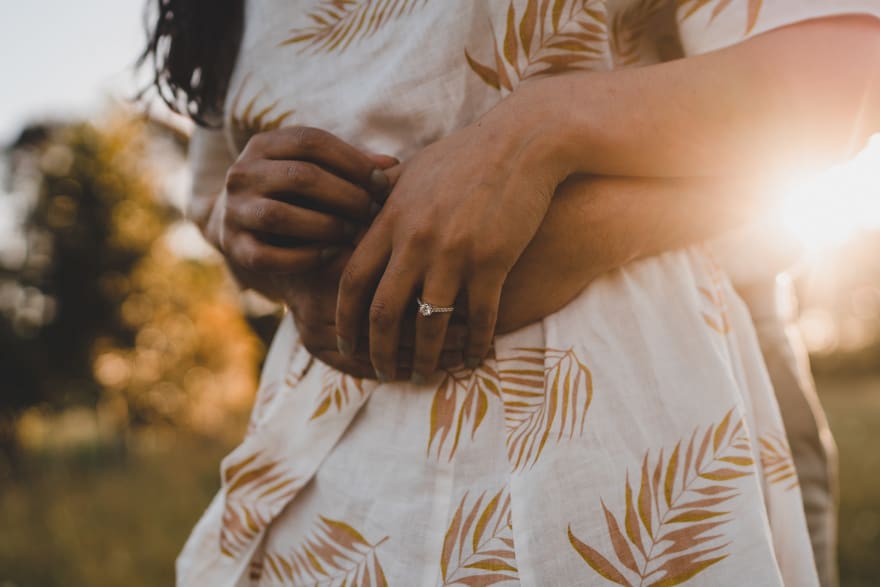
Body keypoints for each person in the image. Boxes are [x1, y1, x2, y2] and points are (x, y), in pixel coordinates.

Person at [142, 0, 880, 585]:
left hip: (637, 423)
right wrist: (258, 234)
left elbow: (837, 73)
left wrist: (536, 132)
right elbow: (216, 195)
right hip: (336, 478)